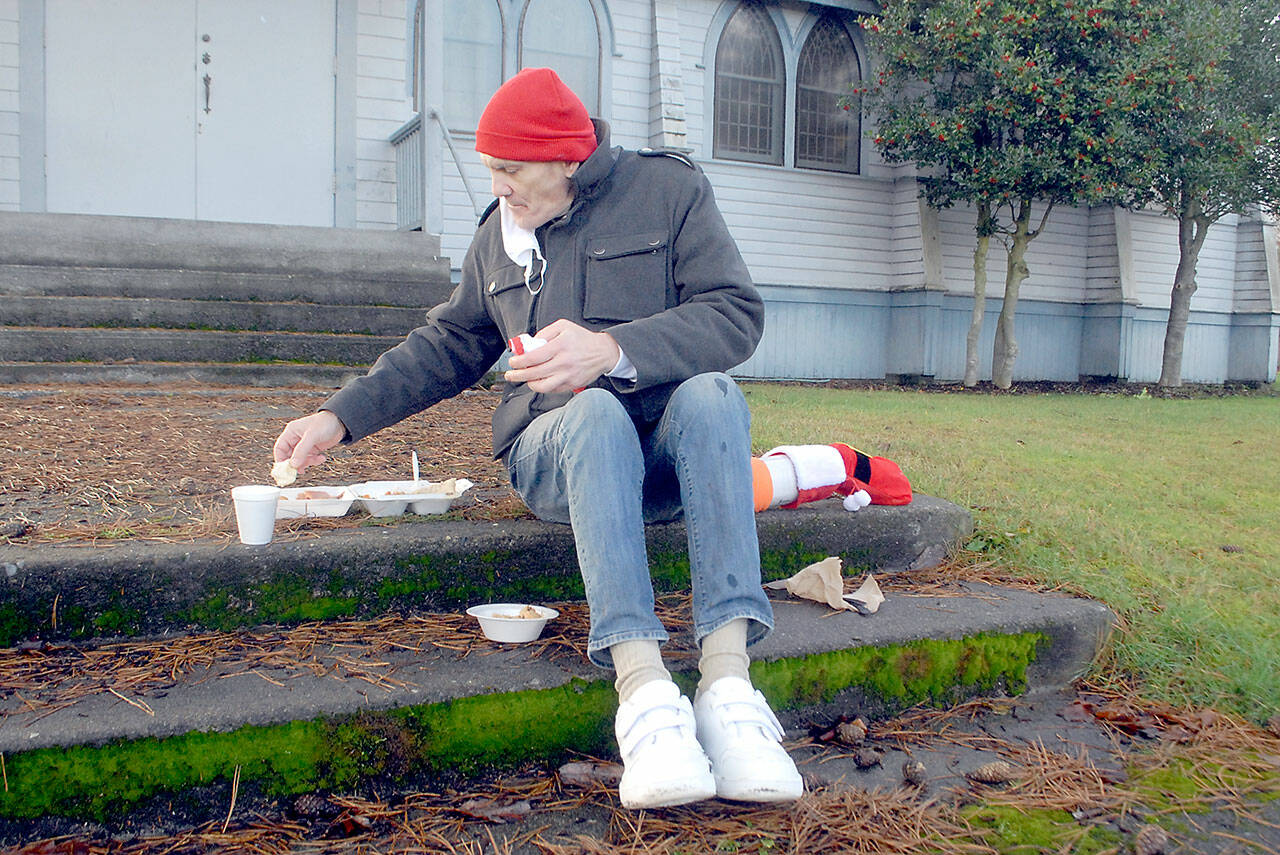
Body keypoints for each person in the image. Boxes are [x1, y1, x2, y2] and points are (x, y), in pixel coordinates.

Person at [272, 67, 802, 809]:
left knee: (714, 394)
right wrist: (339, 414)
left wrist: (611, 350)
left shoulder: (670, 192)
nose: (499, 188)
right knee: (590, 412)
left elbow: (735, 315)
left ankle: (729, 686)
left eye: (510, 169)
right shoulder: (499, 236)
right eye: (492, 170)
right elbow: (450, 343)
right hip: (555, 455)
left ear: (566, 157)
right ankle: (645, 693)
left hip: (661, 461)